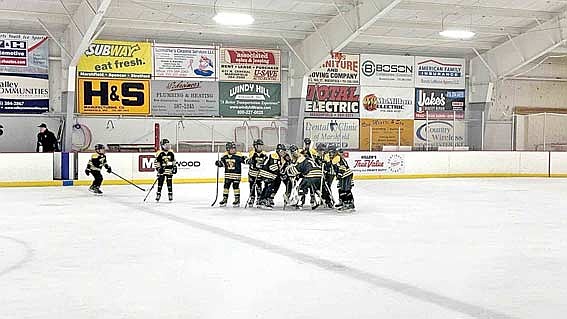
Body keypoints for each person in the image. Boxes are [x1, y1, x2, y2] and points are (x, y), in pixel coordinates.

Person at [215, 142, 246, 207]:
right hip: (227, 175)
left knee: (235, 187)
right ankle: (225, 199)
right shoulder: (224, 156)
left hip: (236, 175)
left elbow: (245, 160)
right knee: (226, 187)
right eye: (232, 149)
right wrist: (219, 163)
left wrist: (249, 161)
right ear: (228, 149)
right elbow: (223, 164)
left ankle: (237, 199)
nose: (234, 150)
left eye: (234, 148)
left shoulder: (238, 155)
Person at [258, 144, 288, 209]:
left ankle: (262, 200)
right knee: (269, 186)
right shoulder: (274, 155)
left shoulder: (278, 156)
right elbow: (273, 167)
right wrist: (281, 174)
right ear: (278, 150)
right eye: (282, 151)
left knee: (269, 186)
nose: (284, 153)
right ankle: (264, 200)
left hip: (270, 174)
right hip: (267, 174)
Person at [329, 147, 355, 212]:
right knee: (341, 189)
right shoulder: (336, 158)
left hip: (345, 175)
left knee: (345, 189)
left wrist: (340, 174)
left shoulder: (337, 158)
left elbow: (342, 167)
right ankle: (343, 202)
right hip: (344, 175)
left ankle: (348, 204)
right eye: (330, 153)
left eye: (332, 153)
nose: (330, 154)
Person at [246, 139, 268, 207]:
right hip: (252, 173)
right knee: (252, 186)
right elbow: (248, 160)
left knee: (259, 186)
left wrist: (263, 165)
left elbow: (266, 162)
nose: (260, 147)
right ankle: (252, 198)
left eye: (261, 146)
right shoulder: (252, 153)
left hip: (259, 174)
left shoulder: (264, 154)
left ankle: (259, 198)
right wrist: (251, 162)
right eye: (259, 146)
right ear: (255, 146)